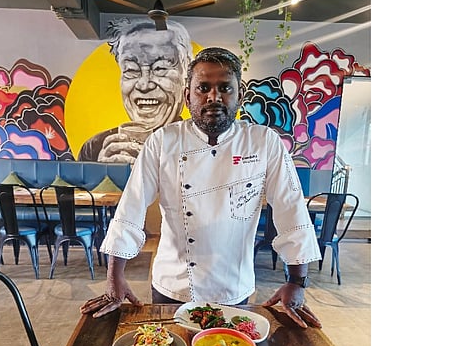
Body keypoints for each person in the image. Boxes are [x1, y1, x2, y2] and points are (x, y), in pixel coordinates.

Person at [80, 47, 323, 328]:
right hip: (172, 287)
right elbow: (131, 206)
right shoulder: (163, 141)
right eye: (203, 88)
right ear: (187, 97)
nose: (213, 97)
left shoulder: (263, 142)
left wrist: (297, 281)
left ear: (240, 96)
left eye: (225, 88)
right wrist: (114, 277)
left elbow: (291, 208)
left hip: (233, 287)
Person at [77, 17, 193, 163]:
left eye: (160, 68)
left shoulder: (200, 145)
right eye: (131, 70)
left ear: (186, 77)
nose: (144, 85)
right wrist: (104, 173)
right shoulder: (95, 148)